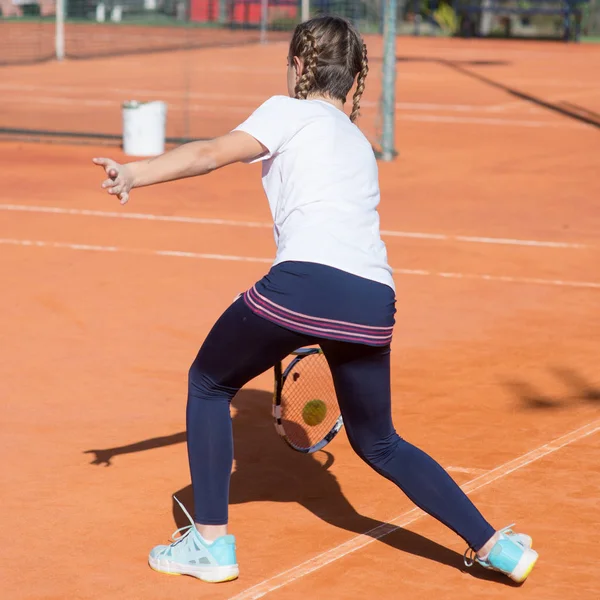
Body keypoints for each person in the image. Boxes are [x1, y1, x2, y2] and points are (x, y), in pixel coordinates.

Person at [93, 15, 538, 586]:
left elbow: (209, 152)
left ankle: (209, 544)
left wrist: (135, 172)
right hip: (375, 299)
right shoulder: (358, 142)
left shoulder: (287, 110)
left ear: (299, 67)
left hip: (303, 285)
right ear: (353, 80)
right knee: (380, 441)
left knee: (209, 383)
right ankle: (495, 545)